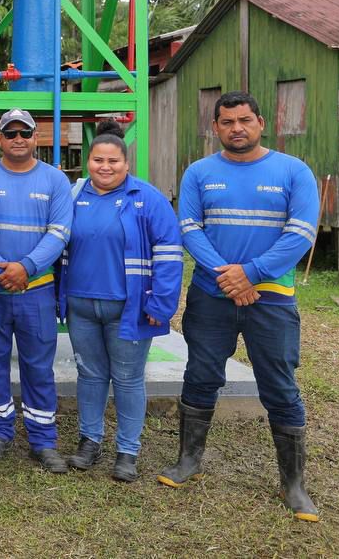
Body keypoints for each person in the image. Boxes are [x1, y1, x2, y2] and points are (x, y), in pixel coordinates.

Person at [159, 91, 321, 522]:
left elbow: (301, 232)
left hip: (272, 300)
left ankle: (293, 484)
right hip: (212, 297)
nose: (237, 128)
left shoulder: (293, 171)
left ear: (261, 122)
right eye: (227, 121)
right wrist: (230, 277)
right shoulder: (199, 172)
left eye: (245, 120)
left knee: (280, 386)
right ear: (216, 128)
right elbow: (190, 228)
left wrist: (252, 274)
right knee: (200, 375)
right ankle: (189, 460)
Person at [60, 121, 182, 482]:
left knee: (128, 380)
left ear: (126, 164)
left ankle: (127, 451)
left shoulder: (147, 199)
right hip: (82, 305)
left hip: (129, 308)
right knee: (90, 374)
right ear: (89, 162)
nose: (105, 167)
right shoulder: (74, 197)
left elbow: (170, 253)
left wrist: (161, 305)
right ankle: (90, 440)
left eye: (113, 161)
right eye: (98, 160)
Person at [0, 108, 73, 471]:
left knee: (38, 366)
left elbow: (60, 232)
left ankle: (43, 440)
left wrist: (26, 268)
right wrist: (1, 269)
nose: (18, 139)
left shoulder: (55, 181)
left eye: (25, 133)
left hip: (37, 290)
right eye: (10, 133)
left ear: (36, 138)